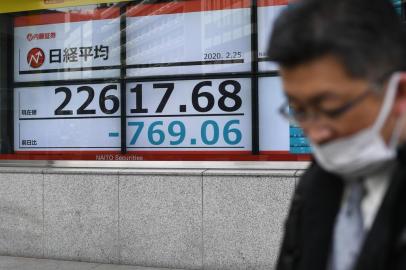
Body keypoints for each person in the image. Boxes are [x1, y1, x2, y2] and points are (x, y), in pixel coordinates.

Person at [267, 0, 406, 269]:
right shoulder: (317, 181)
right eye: (298, 109)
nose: (315, 134)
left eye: (330, 108)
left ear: (398, 93)